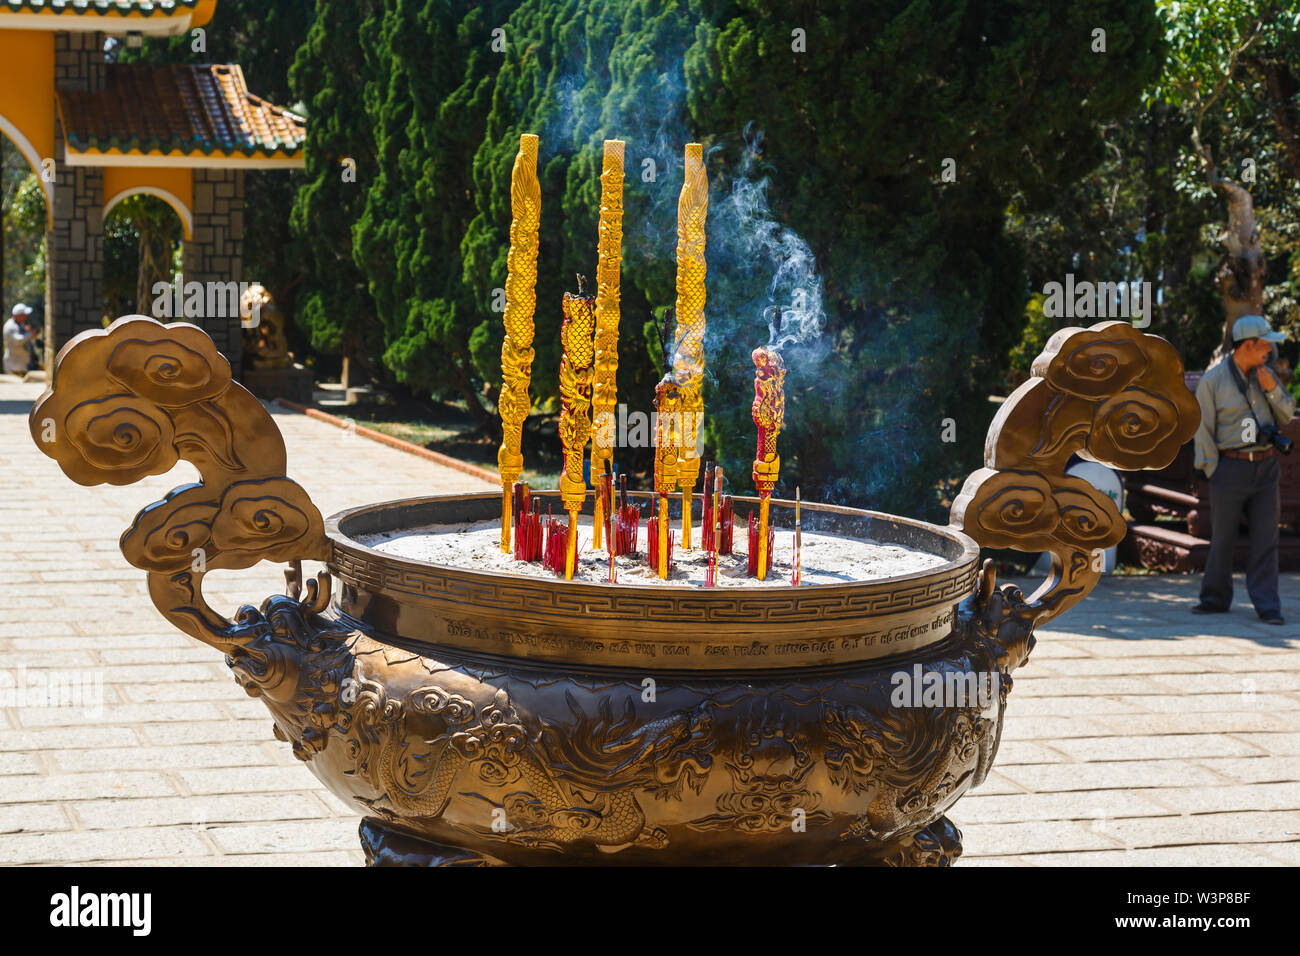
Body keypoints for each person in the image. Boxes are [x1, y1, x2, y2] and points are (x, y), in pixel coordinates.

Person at [1192, 314, 1296, 625]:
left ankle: (1268, 606)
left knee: (1267, 539)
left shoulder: (1267, 374)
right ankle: (1214, 598)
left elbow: (1287, 415)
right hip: (1229, 468)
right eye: (1265, 343)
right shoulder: (1212, 381)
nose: (1270, 349)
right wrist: (1212, 470)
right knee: (1222, 538)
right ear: (1248, 345)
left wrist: (1272, 389)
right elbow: (1203, 429)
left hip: (1266, 468)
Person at [3, 303, 38, 375]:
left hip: (21, 362)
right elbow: (17, 341)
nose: (26, 316)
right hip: (13, 363)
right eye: (24, 315)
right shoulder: (10, 326)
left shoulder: (21, 324)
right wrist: (30, 334)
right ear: (19, 315)